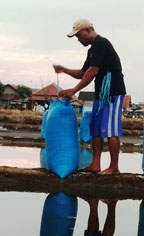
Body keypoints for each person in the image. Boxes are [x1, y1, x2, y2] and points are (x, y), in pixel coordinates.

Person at [54, 19, 126, 174]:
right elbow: (83, 73)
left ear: (88, 30)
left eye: (79, 36)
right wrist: (64, 70)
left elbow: (92, 72)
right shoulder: (92, 49)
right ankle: (95, 164)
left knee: (111, 130)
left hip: (113, 92)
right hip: (101, 94)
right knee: (96, 129)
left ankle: (114, 167)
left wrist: (73, 90)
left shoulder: (102, 43)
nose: (79, 40)